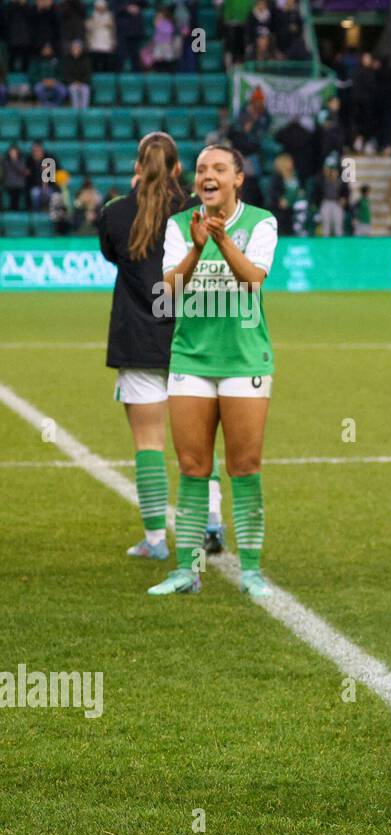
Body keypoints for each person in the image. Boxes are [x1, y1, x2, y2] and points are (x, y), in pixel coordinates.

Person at [147, 145, 279, 599]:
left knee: (245, 467)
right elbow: (168, 290)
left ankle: (253, 571)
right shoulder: (179, 226)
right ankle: (187, 568)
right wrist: (197, 246)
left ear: (237, 178)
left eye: (219, 168)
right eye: (202, 169)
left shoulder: (261, 222)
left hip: (245, 361)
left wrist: (221, 240)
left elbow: (254, 279)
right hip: (191, 360)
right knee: (192, 467)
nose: (209, 175)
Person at [98, 133, 227, 561]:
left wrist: (139, 193)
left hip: (138, 339)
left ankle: (155, 541)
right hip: (192, 336)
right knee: (199, 441)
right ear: (177, 168)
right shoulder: (196, 210)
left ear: (138, 166)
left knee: (148, 441)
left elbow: (112, 255)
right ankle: (210, 519)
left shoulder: (116, 214)